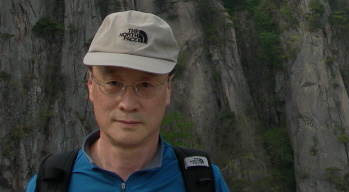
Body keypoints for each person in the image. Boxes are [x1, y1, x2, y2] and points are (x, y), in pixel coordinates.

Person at [27, 10, 230, 191]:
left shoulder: (203, 181)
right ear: (90, 85)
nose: (128, 104)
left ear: (168, 88)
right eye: (113, 83)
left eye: (145, 85)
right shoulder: (50, 182)